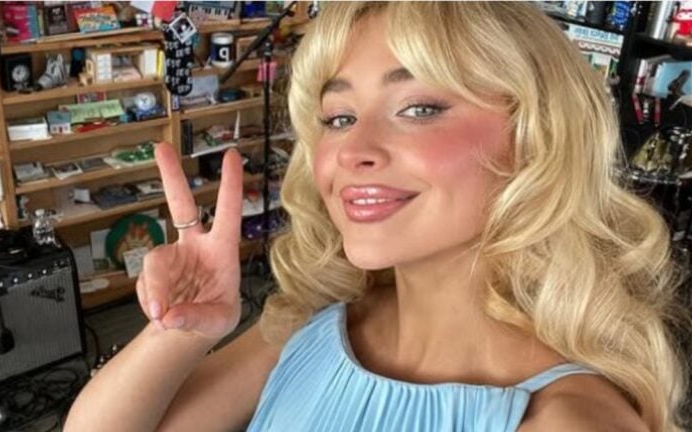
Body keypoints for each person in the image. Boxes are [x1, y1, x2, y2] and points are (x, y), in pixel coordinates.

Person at [65, 3, 688, 431]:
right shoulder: (311, 329)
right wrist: (180, 334)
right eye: (338, 118)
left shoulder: (569, 419)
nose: (351, 150)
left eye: (418, 108)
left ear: (537, 137)